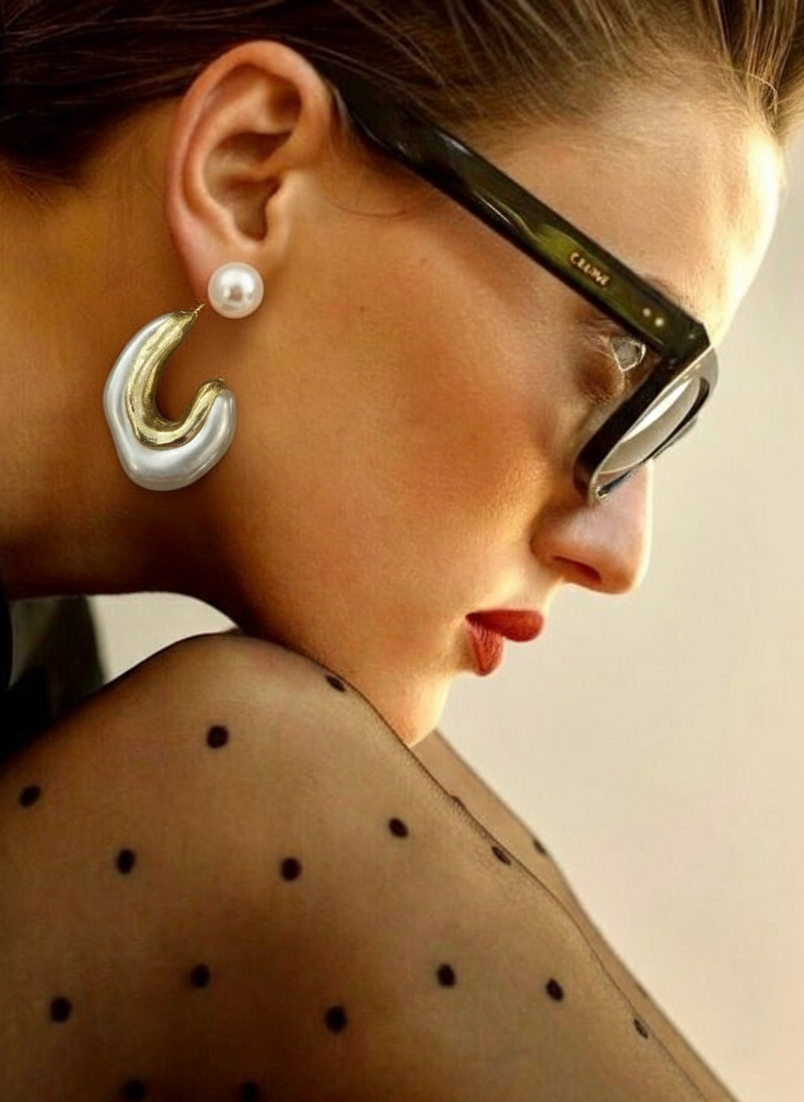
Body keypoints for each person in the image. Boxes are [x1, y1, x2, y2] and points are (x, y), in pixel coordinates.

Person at [0, 1, 798, 1098]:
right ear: (249, 177)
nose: (622, 549)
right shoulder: (210, 789)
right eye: (623, 369)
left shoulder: (43, 704)